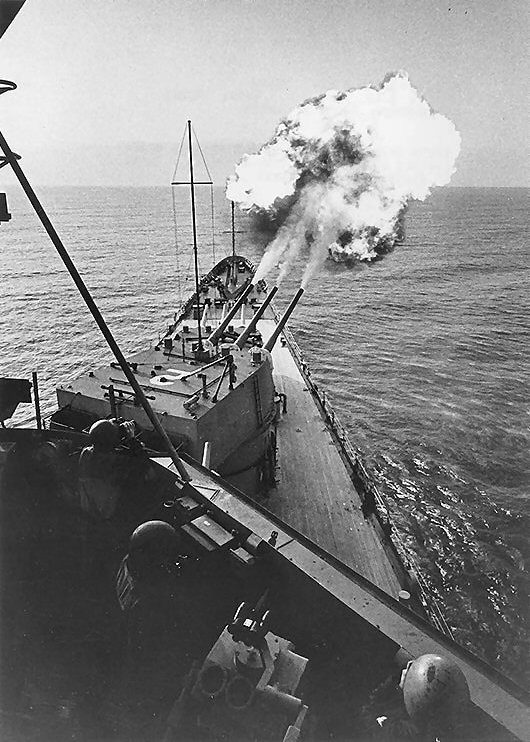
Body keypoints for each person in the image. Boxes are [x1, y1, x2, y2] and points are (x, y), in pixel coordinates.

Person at [78, 418, 139, 520]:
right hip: (107, 511)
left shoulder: (86, 453)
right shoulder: (116, 461)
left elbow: (101, 445)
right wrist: (131, 439)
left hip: (88, 505)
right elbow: (142, 461)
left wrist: (108, 426)